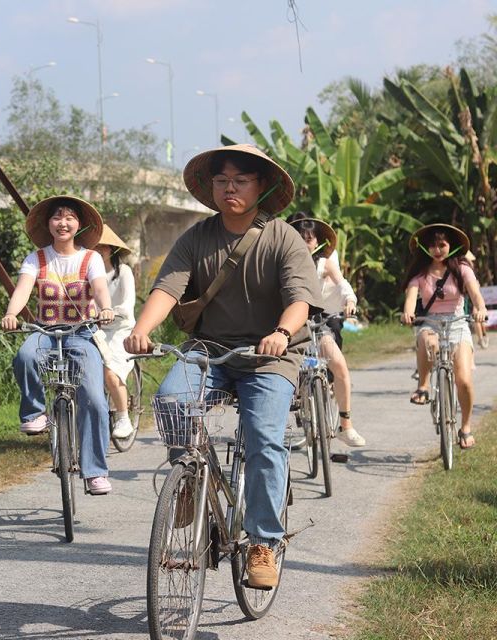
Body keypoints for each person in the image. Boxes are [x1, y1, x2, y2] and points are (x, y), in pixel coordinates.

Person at [124, 144, 323, 589]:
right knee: (172, 400)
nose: (230, 187)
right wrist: (141, 329)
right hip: (208, 350)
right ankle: (190, 479)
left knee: (265, 440)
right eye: (221, 180)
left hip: (270, 357)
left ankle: (263, 542)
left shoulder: (283, 237)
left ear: (260, 187)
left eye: (240, 180)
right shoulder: (195, 238)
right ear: (210, 187)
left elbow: (300, 300)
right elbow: (167, 290)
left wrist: (283, 334)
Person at [1, 195, 116, 495]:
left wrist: (105, 308)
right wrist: (12, 314)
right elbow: (23, 289)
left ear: (79, 224)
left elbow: (101, 289)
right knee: (25, 355)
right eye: (57, 217)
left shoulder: (91, 259)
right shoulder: (35, 259)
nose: (63, 223)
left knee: (93, 394)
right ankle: (35, 414)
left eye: (69, 218)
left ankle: (95, 473)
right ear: (48, 224)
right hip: (45, 331)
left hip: (81, 333)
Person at [400, 223, 486, 449]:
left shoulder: (462, 269)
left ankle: (465, 427)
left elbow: (475, 293)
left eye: (442, 244)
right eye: (432, 245)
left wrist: (480, 308)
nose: (437, 250)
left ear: (451, 246)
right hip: (431, 322)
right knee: (426, 340)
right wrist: (408, 312)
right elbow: (411, 298)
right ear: (424, 248)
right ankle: (424, 386)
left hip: (458, 323)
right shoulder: (420, 274)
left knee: (464, 381)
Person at [286, 212, 366, 447]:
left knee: (338, 364)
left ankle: (346, 425)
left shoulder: (324, 263)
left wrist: (350, 301)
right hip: (288, 325)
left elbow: (343, 284)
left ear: (317, 241)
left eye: (309, 239)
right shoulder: (282, 261)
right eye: (298, 237)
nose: (304, 243)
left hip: (316, 324)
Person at [93, 225, 138, 440]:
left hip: (120, 329)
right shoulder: (88, 274)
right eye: (95, 246)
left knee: (110, 372)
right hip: (94, 328)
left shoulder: (123, 273)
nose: (99, 249)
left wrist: (110, 311)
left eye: (103, 246)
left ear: (111, 249)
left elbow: (128, 304)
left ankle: (123, 417)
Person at [463, 251, 489, 349]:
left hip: (471, 298)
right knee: (478, 319)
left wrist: (476, 306)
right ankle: (482, 338)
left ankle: (482, 337)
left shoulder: (467, 270)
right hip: (468, 299)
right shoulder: (464, 269)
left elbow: (475, 290)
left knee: (478, 318)